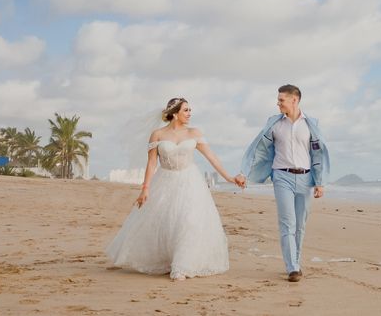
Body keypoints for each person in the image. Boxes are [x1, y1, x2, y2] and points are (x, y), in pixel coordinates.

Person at [106, 97, 241, 281]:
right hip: (165, 180)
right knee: (166, 221)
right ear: (175, 113)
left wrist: (229, 178)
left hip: (190, 181)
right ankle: (167, 260)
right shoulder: (158, 135)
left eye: (190, 110)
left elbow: (212, 157)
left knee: (188, 221)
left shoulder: (194, 133)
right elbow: (152, 163)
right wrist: (145, 188)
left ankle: (181, 266)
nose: (189, 113)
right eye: (186, 110)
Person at [236, 84, 330, 282]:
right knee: (288, 223)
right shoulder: (274, 124)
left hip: (305, 179)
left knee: (300, 225)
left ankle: (296, 260)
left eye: (281, 100)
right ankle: (292, 268)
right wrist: (245, 172)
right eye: (278, 100)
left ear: (294, 100)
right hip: (281, 177)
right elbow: (258, 150)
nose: (277, 103)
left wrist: (320, 182)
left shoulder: (311, 124)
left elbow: (317, 154)